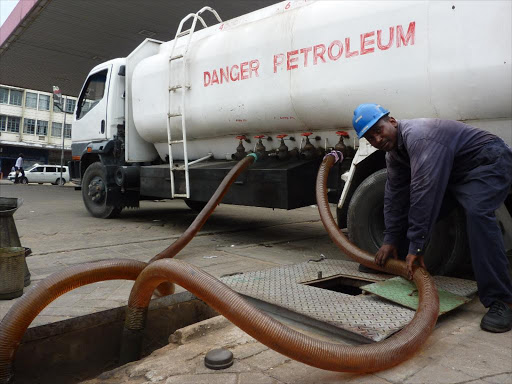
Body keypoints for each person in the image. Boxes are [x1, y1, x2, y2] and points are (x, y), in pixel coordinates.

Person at [352, 103, 512, 333]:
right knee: (406, 203)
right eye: (370, 137)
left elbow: (425, 192)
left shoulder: (419, 137)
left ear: (392, 121)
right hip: (457, 172)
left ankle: (501, 300)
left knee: (477, 214)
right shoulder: (394, 154)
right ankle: (397, 261)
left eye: (379, 130)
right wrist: (389, 240)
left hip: (488, 161)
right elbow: (394, 198)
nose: (377, 139)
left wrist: (416, 248)